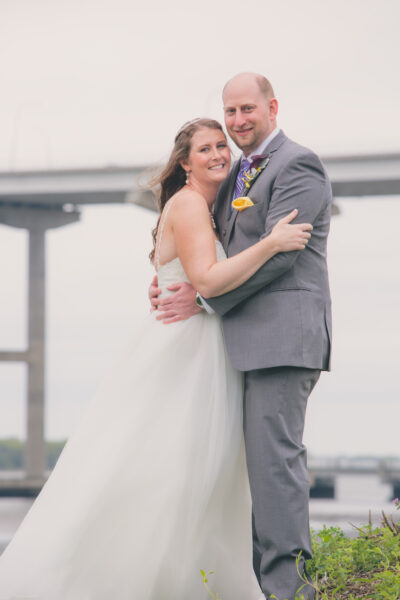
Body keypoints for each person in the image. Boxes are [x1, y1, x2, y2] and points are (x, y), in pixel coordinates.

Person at [0, 118, 312, 600]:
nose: (216, 154)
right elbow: (207, 281)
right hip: (183, 350)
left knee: (199, 471)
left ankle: (195, 576)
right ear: (185, 164)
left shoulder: (211, 207)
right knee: (166, 466)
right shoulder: (189, 205)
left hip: (206, 346)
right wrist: (271, 242)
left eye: (220, 147)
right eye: (204, 149)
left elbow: (197, 277)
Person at [150, 74, 332, 600]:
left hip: (282, 337)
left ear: (272, 107)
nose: (237, 122)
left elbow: (283, 256)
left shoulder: (297, 163)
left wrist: (203, 297)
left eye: (246, 109)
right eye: (229, 112)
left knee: (275, 465)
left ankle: (290, 592)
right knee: (245, 470)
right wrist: (172, 279)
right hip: (237, 341)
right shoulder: (236, 175)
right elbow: (210, 248)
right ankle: (255, 584)